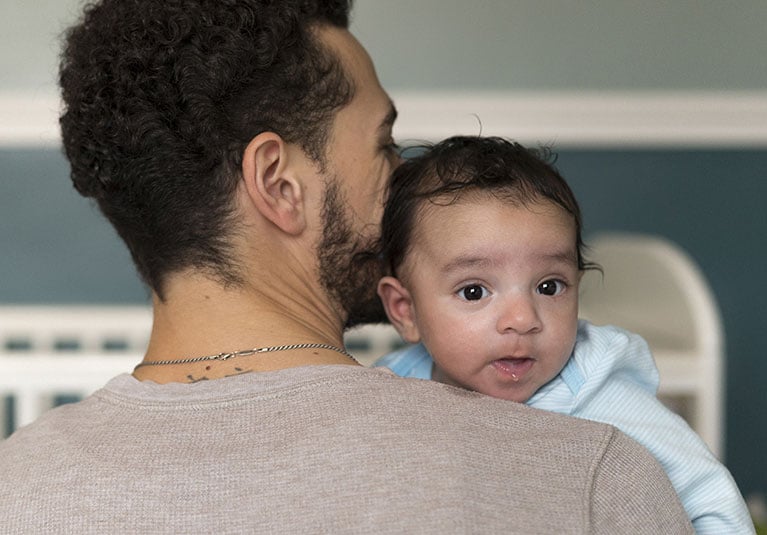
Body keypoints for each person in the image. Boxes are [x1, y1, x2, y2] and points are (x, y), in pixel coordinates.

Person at [0, 1, 693, 532]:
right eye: (385, 146)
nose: (408, 185)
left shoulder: (17, 492)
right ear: (279, 183)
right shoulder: (584, 477)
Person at [374, 136, 754, 534]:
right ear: (406, 310)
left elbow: (708, 494)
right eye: (474, 291)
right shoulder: (391, 386)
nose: (523, 319)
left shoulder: (599, 394)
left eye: (549, 287)